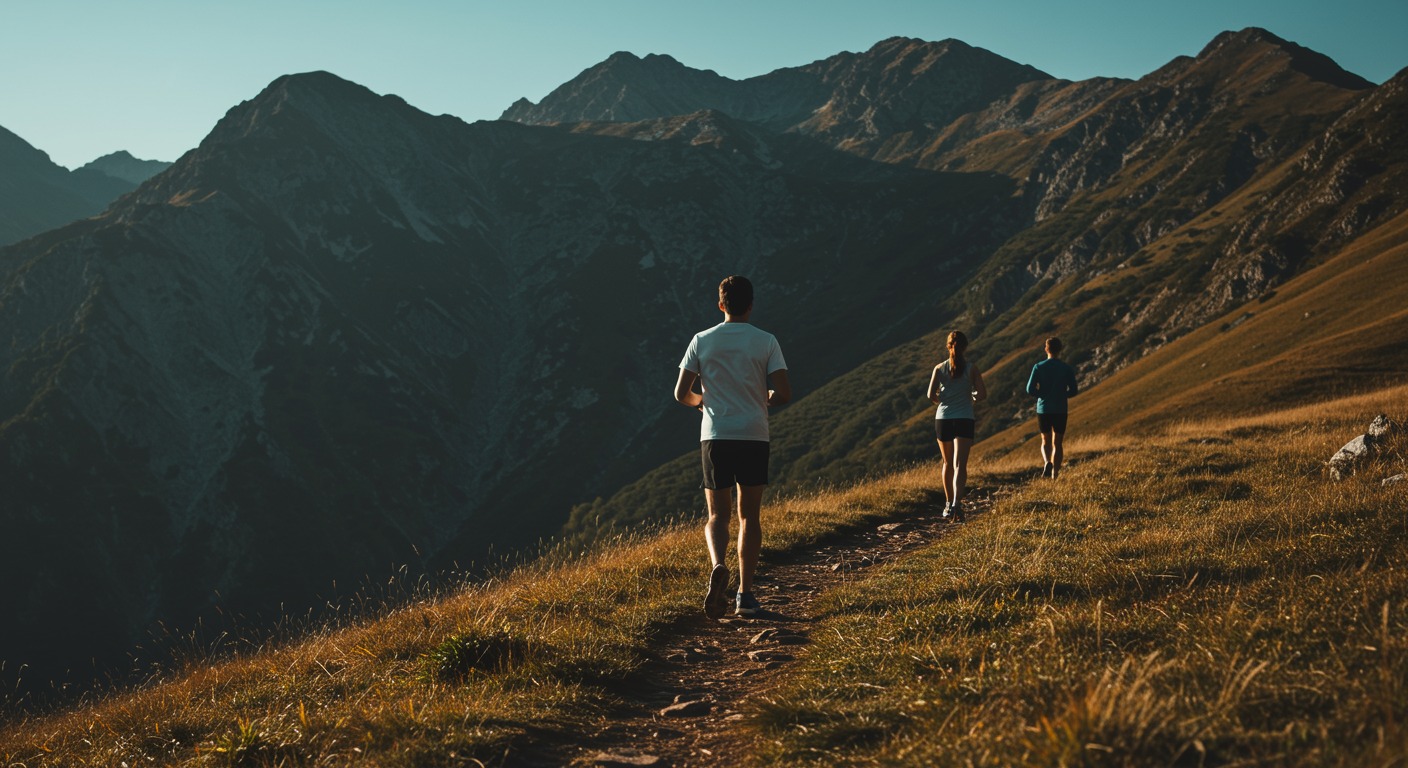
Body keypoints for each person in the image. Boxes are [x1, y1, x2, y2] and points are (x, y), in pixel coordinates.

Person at [675, 276, 791, 619]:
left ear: (721, 305)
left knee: (716, 515)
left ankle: (718, 564)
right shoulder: (766, 341)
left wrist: (701, 404)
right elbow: (784, 393)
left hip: (715, 435)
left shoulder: (701, 340)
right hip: (753, 434)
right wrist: (764, 398)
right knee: (749, 517)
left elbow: (681, 394)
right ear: (751, 305)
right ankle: (745, 594)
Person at [927, 331, 986, 522]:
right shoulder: (971, 368)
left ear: (948, 346)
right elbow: (982, 394)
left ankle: (947, 503)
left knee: (947, 463)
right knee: (960, 464)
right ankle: (956, 504)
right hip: (964, 418)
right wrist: (972, 399)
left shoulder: (939, 368)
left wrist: (943, 402)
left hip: (943, 418)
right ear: (965, 347)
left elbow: (930, 395)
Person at [1025, 337, 1079, 479]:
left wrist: (1041, 395)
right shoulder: (1066, 368)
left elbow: (1029, 389)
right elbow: (1074, 390)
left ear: (1046, 349)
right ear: (1060, 349)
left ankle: (1047, 462)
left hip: (1044, 409)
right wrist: (1062, 395)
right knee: (1058, 443)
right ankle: (1055, 474)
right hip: (1060, 409)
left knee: (1045, 440)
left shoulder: (1038, 367)